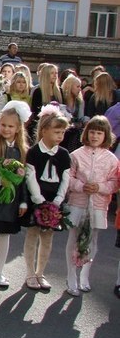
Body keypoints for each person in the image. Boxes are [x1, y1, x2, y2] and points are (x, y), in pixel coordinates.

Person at [65, 116, 119, 296]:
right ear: (87, 133)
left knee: (92, 239)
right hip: (78, 202)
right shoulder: (76, 155)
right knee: (73, 238)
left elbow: (114, 183)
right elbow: (68, 178)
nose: (95, 136)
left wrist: (99, 187)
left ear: (106, 136)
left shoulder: (112, 159)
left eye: (99, 133)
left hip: (98, 205)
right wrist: (81, 186)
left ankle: (84, 276)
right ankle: (71, 277)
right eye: (92, 132)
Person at [0, 101, 30, 287]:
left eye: (10, 126)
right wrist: (0, 180)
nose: (6, 129)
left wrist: (23, 201)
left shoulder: (22, 151)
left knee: (5, 236)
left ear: (18, 128)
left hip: (12, 202)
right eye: (3, 125)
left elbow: (24, 179)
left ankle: (0, 270)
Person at [22, 105, 70, 290]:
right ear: (44, 131)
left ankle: (40, 272)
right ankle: (30, 273)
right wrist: (39, 200)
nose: (60, 136)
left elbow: (65, 179)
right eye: (57, 132)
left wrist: (58, 200)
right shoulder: (34, 152)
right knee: (32, 234)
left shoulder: (64, 154)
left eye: (63, 132)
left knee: (48, 237)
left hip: (54, 198)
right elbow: (30, 176)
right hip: (38, 197)